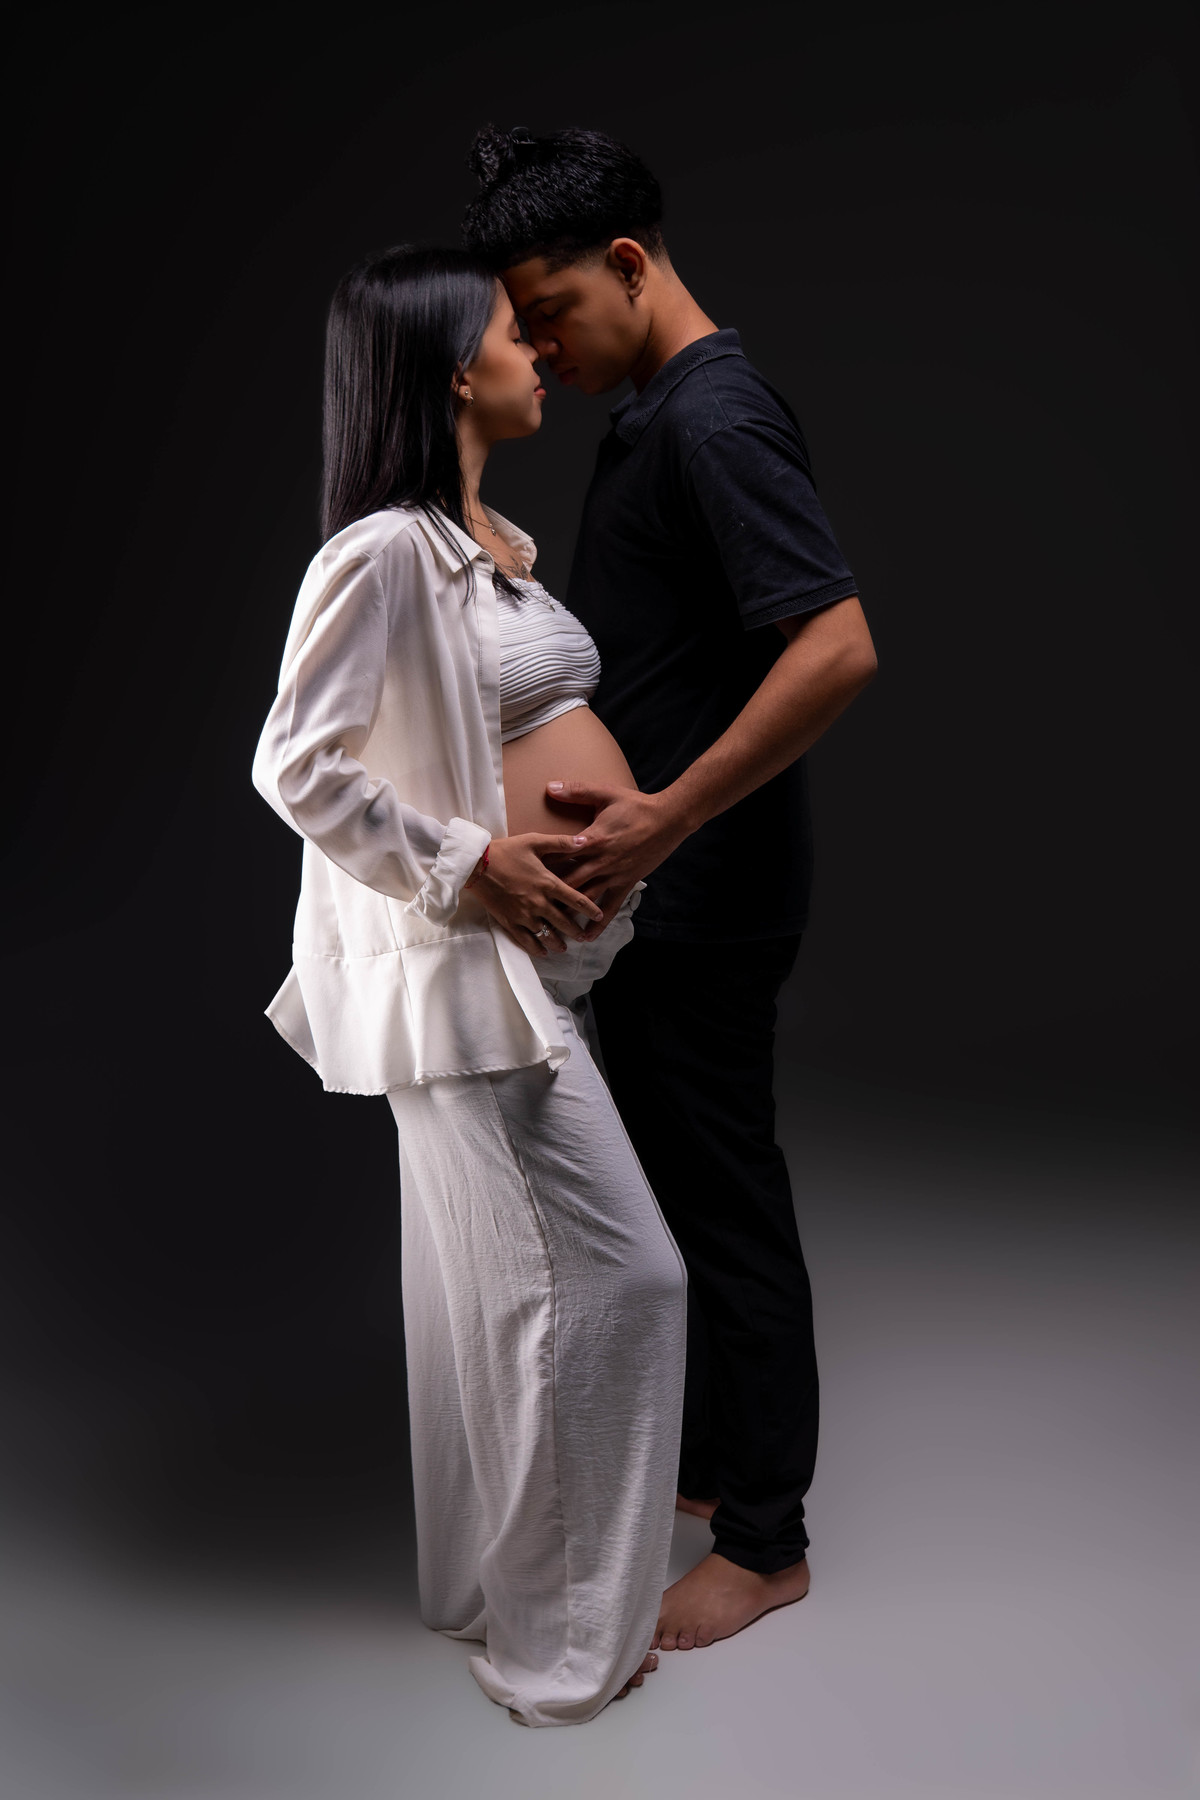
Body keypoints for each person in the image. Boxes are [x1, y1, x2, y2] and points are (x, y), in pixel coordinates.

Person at [251, 245, 687, 1726]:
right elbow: (296, 762)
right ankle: (563, 1650)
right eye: (514, 331)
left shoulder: (485, 541)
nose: (539, 351)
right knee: (618, 1281)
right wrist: (467, 862)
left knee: (479, 1293)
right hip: (464, 971)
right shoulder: (382, 551)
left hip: (537, 969)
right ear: (453, 369)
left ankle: (493, 1590)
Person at [463, 126, 878, 1653]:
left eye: (551, 310)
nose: (537, 348)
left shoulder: (714, 417)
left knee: (722, 1197)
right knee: (682, 1192)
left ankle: (766, 1543)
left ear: (630, 265)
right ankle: (711, 1465)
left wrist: (661, 822)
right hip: (662, 897)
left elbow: (835, 645)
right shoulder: (656, 413)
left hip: (705, 896)